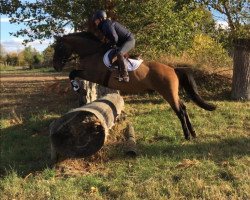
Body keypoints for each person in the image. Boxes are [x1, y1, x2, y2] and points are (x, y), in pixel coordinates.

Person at [92, 10, 135, 82]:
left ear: (101, 18)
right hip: (121, 43)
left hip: (129, 40)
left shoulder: (106, 24)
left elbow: (115, 39)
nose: (95, 22)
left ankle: (125, 75)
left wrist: (108, 45)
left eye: (96, 20)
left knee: (119, 53)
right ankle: (116, 70)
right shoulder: (104, 25)